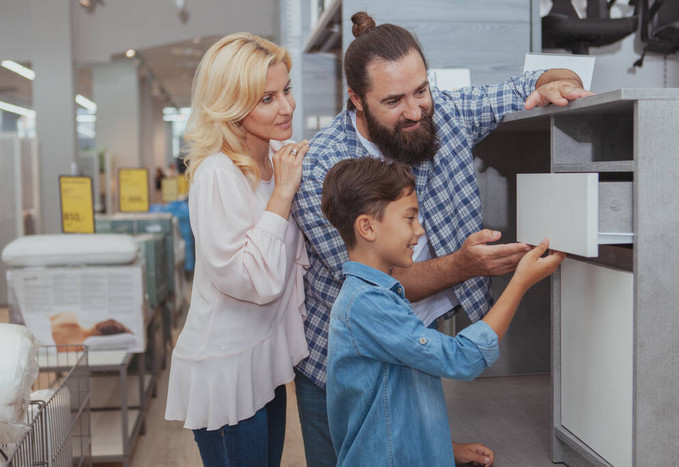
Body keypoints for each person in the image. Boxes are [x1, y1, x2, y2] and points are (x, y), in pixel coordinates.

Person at [291, 11, 593, 465]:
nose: (414, 111)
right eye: (393, 101)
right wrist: (465, 265)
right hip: (339, 368)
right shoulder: (323, 169)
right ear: (356, 99)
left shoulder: (444, 111)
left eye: (421, 91)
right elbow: (374, 279)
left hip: (418, 339)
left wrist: (559, 81)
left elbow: (528, 83)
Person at [321, 157, 566, 466]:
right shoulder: (367, 305)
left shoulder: (379, 296)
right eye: (409, 218)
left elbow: (397, 400)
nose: (419, 230)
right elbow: (461, 357)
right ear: (367, 227)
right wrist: (520, 282)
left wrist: (447, 448)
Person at [164, 33, 310, 467]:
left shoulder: (278, 156)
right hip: (225, 368)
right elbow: (252, 280)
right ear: (231, 106)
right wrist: (283, 193)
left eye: (286, 90)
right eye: (267, 98)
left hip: (262, 359)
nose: (286, 107)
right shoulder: (217, 174)